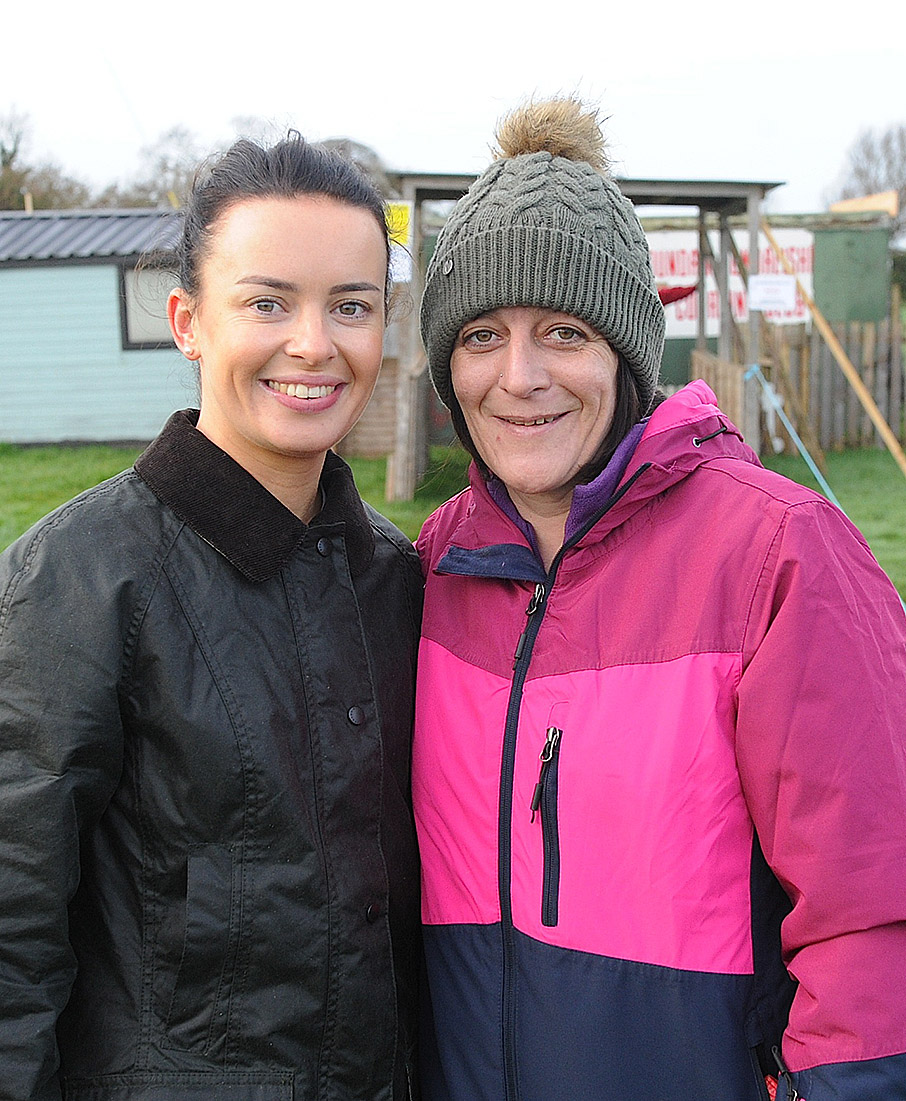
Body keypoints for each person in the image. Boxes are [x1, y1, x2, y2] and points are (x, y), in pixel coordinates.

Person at [412, 98, 906, 1101]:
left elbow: (874, 911)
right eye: (480, 336)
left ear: (630, 351)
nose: (521, 377)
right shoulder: (434, 568)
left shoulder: (776, 555)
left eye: (563, 331)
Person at [0, 135, 422, 1100]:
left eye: (351, 306)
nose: (314, 343)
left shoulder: (401, 583)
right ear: (188, 321)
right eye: (268, 301)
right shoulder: (77, 582)